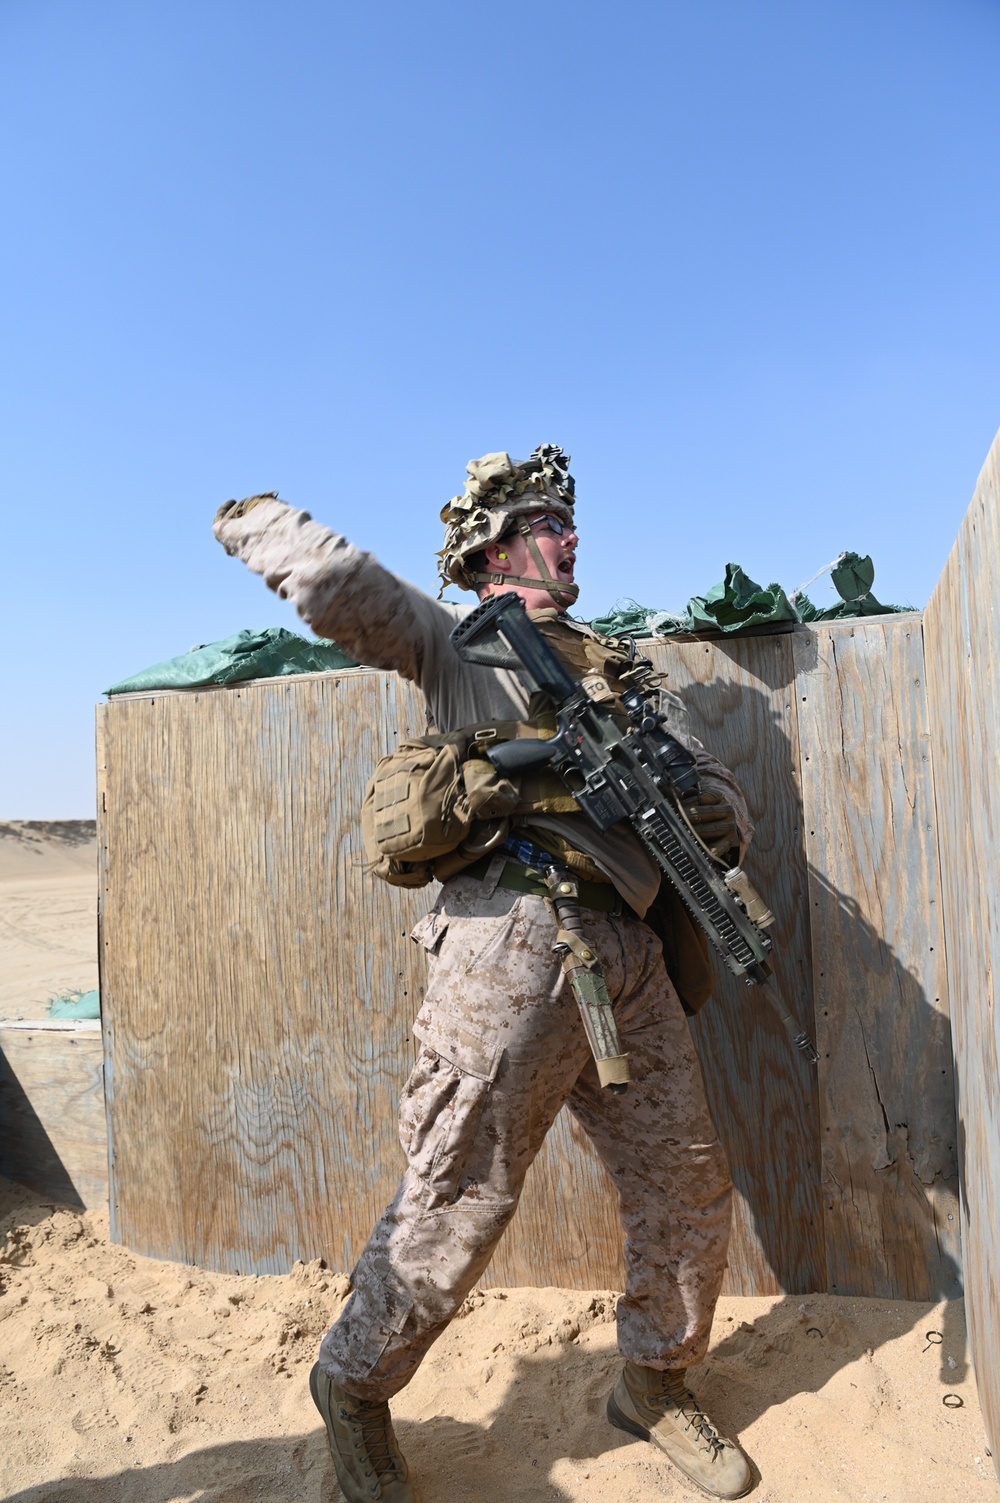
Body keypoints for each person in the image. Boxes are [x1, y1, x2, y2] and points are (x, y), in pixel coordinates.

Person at [213, 445, 755, 1501]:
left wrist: (681, 794)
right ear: (500, 547)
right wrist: (258, 522)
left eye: (567, 520)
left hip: (632, 956)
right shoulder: (462, 649)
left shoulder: (626, 672)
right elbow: (346, 591)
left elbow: (726, 814)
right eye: (550, 521)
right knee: (457, 1194)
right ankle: (356, 1391)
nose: (571, 536)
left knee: (686, 1183)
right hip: (510, 947)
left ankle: (653, 1380)